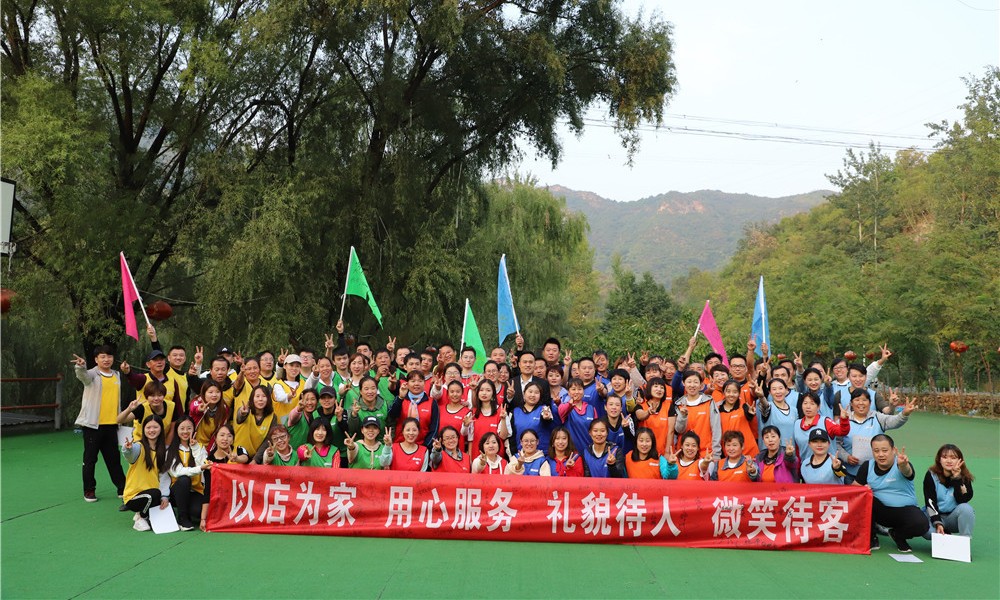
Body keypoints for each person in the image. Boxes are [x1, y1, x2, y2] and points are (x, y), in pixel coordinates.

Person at [854, 434, 930, 552]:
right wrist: (862, 489)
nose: (880, 454)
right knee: (863, 497)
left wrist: (903, 465)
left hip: (905, 511)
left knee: (922, 525)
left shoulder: (901, 464)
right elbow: (854, 489)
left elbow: (907, 472)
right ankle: (871, 537)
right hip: (880, 511)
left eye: (885, 450)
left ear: (893, 450)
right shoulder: (867, 466)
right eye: (876, 451)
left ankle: (897, 534)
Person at [72, 347, 127, 503]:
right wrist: (80, 366)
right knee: (90, 459)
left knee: (114, 459)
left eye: (109, 356)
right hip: (93, 425)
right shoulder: (91, 374)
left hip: (112, 424)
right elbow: (82, 376)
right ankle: (89, 490)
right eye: (102, 357)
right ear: (96, 359)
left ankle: (122, 488)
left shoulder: (116, 375)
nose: (106, 359)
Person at [838, 388, 914, 483]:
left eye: (864, 400)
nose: (861, 403)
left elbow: (894, 421)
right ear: (851, 404)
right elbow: (836, 444)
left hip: (874, 474)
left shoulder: (877, 417)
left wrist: (904, 414)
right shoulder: (843, 420)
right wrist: (846, 457)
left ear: (870, 403)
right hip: (850, 474)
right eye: (857, 400)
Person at [121, 415, 170, 532]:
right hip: (133, 496)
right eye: (148, 427)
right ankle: (141, 517)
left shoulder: (163, 450)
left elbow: (164, 476)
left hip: (152, 494)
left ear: (161, 429)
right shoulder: (138, 447)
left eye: (155, 427)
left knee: (160, 497)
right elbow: (130, 455)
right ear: (143, 429)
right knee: (154, 494)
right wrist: (127, 449)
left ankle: (142, 513)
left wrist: (165, 496)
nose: (151, 430)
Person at [165, 416, 210, 531]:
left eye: (189, 428)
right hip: (176, 490)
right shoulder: (170, 450)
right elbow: (178, 472)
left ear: (194, 429)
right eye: (182, 428)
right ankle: (182, 518)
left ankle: (186, 510)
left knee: (199, 512)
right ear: (177, 430)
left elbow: (204, 465)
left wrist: (194, 447)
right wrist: (199, 468)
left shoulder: (200, 447)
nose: (185, 431)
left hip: (195, 491)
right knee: (184, 479)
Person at [924, 444, 975, 537]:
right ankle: (944, 531)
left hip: (953, 517)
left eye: (953, 458)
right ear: (939, 460)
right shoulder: (931, 475)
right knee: (928, 533)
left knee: (966, 509)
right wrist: (937, 522)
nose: (949, 461)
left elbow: (962, 500)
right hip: (935, 515)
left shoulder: (964, 477)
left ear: (960, 460)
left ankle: (965, 540)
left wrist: (957, 478)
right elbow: (930, 501)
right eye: (944, 457)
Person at [674, 370, 722, 459]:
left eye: (696, 382)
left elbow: (716, 429)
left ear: (701, 385)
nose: (692, 385)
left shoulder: (709, 402)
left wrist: (716, 453)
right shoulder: (679, 404)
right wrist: (683, 416)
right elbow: (679, 430)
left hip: (706, 453)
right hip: (684, 454)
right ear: (683, 383)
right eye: (689, 382)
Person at [792, 390, 850, 463]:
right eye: (805, 403)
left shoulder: (826, 421)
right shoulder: (797, 424)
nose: (808, 407)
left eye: (812, 404)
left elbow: (842, 431)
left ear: (818, 407)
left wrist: (844, 420)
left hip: (828, 465)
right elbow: (797, 448)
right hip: (806, 465)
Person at [388, 371, 440, 449]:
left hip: (422, 446)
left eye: (420, 381)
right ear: (407, 383)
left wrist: (425, 447)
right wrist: (400, 398)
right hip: (400, 445)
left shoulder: (432, 402)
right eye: (413, 381)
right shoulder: (401, 399)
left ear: (424, 383)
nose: (416, 384)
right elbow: (392, 415)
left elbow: (434, 428)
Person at [507, 381, 559, 455]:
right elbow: (511, 436)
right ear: (524, 394)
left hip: (542, 455)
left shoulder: (545, 409)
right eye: (530, 392)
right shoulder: (515, 412)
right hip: (521, 455)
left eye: (536, 392)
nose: (533, 395)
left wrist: (547, 419)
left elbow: (550, 424)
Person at [466, 379, 509, 461]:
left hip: (496, 458)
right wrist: (470, 459)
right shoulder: (473, 412)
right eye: (481, 390)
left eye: (488, 390)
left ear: (493, 393)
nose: (484, 393)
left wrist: (503, 419)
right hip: (477, 457)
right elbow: (470, 439)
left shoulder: (501, 411)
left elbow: (503, 436)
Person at [717, 379, 759, 457]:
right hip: (729, 452)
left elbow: (749, 416)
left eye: (735, 392)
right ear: (723, 393)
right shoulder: (717, 410)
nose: (731, 394)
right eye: (728, 391)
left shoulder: (744, 407)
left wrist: (751, 414)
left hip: (749, 452)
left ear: (739, 393)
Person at [558, 378, 599, 457]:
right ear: (568, 392)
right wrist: (569, 404)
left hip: (590, 451)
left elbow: (596, 429)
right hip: (572, 453)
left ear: (583, 391)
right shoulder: (565, 407)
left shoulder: (591, 408)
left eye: (580, 389)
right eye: (573, 389)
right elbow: (561, 411)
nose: (577, 392)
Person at [633, 377, 675, 454]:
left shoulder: (669, 406)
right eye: (656, 386)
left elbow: (671, 431)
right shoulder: (641, 405)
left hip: (664, 451)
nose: (659, 389)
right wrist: (648, 412)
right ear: (649, 388)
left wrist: (667, 451)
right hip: (645, 452)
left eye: (662, 388)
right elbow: (640, 415)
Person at [234, 385, 276, 456]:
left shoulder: (272, 417)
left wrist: (255, 460)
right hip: (238, 456)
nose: (260, 399)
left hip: (258, 457)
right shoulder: (245, 411)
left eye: (264, 396)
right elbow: (239, 418)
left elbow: (268, 440)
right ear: (252, 399)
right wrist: (243, 413)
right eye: (257, 396)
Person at [189, 380, 230, 451]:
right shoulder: (197, 402)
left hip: (210, 448)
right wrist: (199, 410)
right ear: (204, 393)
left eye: (217, 392)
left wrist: (208, 452)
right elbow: (193, 407)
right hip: (193, 445)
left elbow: (217, 433)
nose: (214, 395)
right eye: (210, 392)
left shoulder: (224, 409)